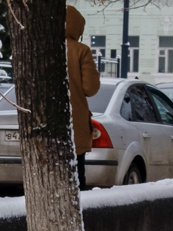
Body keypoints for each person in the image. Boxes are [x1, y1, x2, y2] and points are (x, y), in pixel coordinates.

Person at [65, 5, 102, 187]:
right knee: (76, 179)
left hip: (42, 125)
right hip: (74, 124)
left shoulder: (40, 50)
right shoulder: (81, 50)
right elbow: (90, 88)